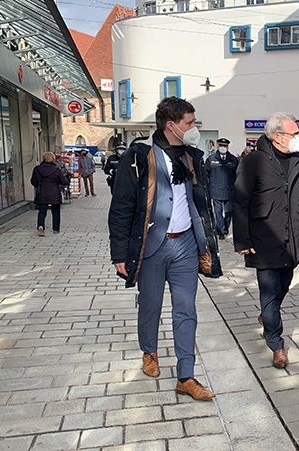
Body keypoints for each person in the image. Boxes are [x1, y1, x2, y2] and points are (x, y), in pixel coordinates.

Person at [108, 97, 219, 401]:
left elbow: (201, 201)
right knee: (151, 305)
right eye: (189, 123)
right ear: (171, 125)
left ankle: (186, 375)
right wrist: (119, 253)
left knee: (186, 310)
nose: (194, 128)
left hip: (185, 245)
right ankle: (150, 351)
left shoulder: (192, 157)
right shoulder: (140, 155)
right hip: (151, 245)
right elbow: (121, 207)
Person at [233, 112, 299, 369]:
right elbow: (240, 202)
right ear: (277, 136)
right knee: (269, 293)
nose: (298, 139)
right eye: (294, 134)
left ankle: (267, 316)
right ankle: (276, 343)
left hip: (292, 237)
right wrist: (242, 240)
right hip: (264, 237)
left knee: (285, 283)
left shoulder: (298, 161)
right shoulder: (254, 161)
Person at [204, 137, 238, 239]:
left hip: (229, 190)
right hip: (215, 190)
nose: (223, 148)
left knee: (229, 211)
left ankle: (225, 227)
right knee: (218, 212)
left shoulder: (233, 160)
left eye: (225, 146)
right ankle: (221, 231)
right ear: (218, 146)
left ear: (227, 147)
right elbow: (206, 174)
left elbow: (238, 174)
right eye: (221, 146)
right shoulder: (211, 159)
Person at [30, 152, 70, 236]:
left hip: (42, 193)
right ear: (53, 159)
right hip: (54, 193)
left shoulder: (37, 169)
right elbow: (64, 182)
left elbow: (33, 182)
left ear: (43, 158)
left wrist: (38, 185)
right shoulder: (57, 170)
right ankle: (56, 229)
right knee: (55, 212)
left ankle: (41, 226)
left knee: (42, 212)